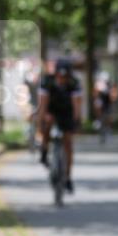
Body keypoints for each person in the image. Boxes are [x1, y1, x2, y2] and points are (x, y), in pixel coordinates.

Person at [37, 58, 83, 193]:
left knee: (68, 143)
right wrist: (41, 121)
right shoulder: (47, 81)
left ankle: (68, 177)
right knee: (47, 122)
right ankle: (44, 150)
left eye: (65, 77)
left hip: (67, 112)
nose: (62, 79)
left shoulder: (75, 83)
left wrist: (76, 122)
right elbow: (43, 104)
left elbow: (76, 106)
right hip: (51, 109)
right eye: (60, 76)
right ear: (56, 74)